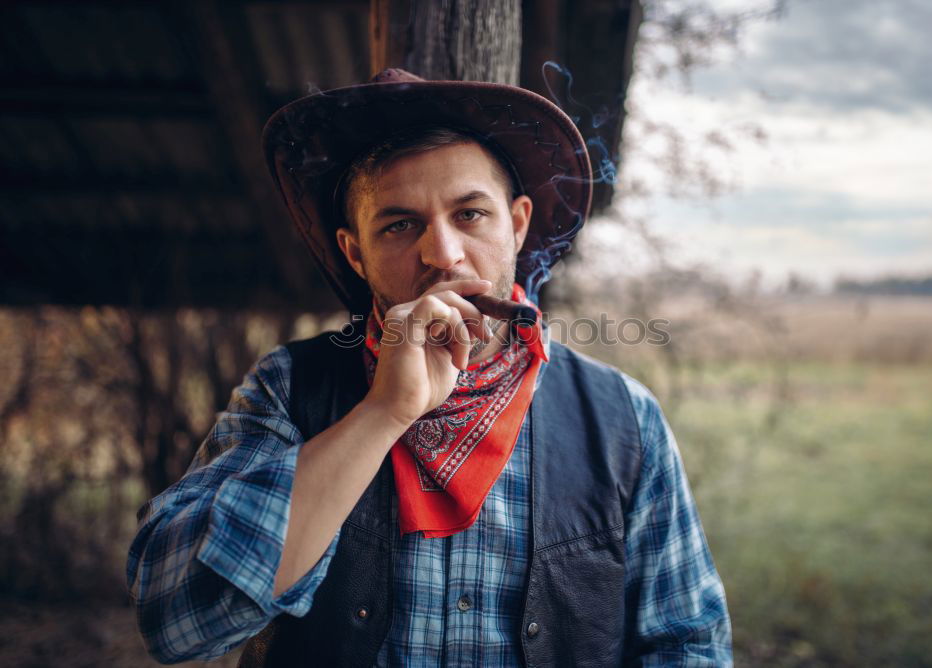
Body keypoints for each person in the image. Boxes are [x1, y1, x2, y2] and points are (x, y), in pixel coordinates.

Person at [126, 69, 732, 667]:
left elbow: (687, 645)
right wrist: (383, 412)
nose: (442, 254)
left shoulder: (622, 416)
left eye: (470, 215)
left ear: (517, 224)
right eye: (399, 225)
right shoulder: (289, 387)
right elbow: (178, 622)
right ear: (355, 253)